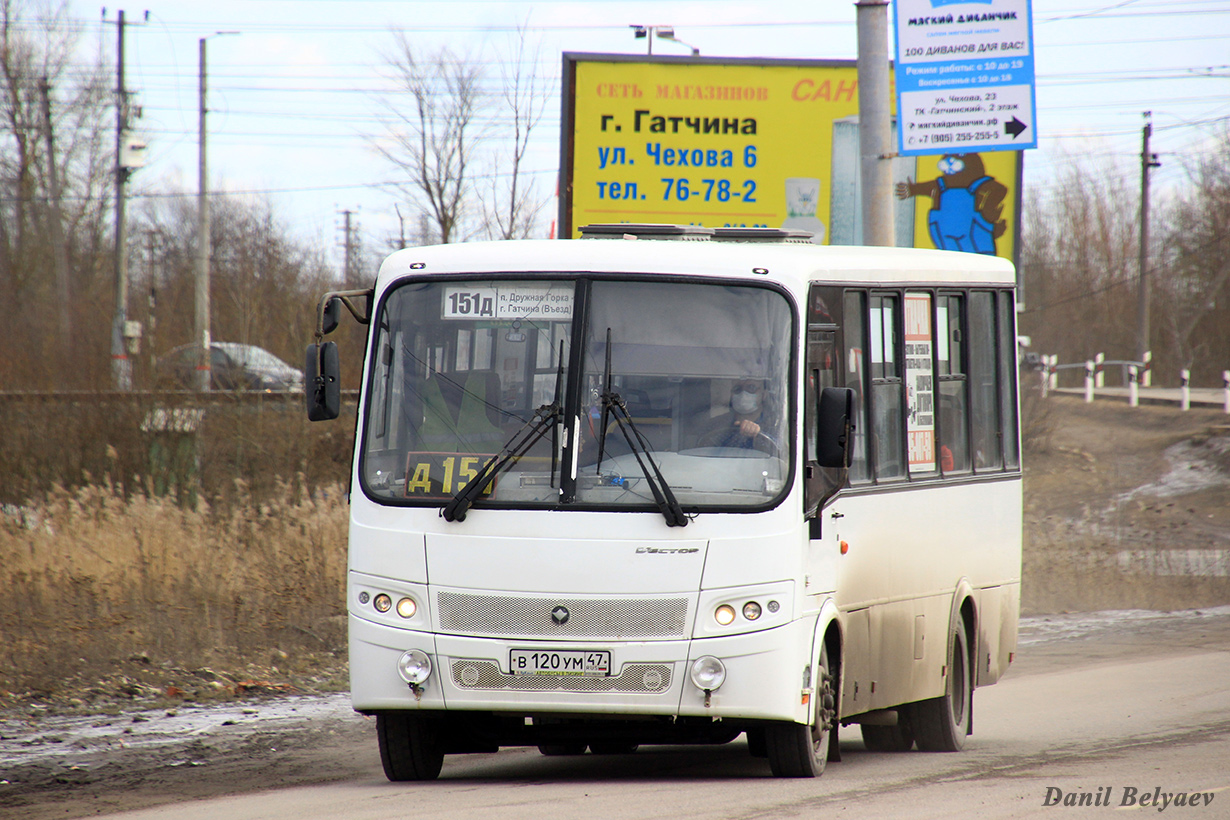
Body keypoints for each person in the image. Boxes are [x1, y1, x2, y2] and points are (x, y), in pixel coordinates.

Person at [693, 378, 776, 452]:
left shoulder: (774, 426)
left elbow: (775, 456)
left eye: (751, 388)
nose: (743, 393)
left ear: (764, 394)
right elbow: (701, 452)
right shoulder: (715, 424)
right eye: (737, 389)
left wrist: (757, 436)